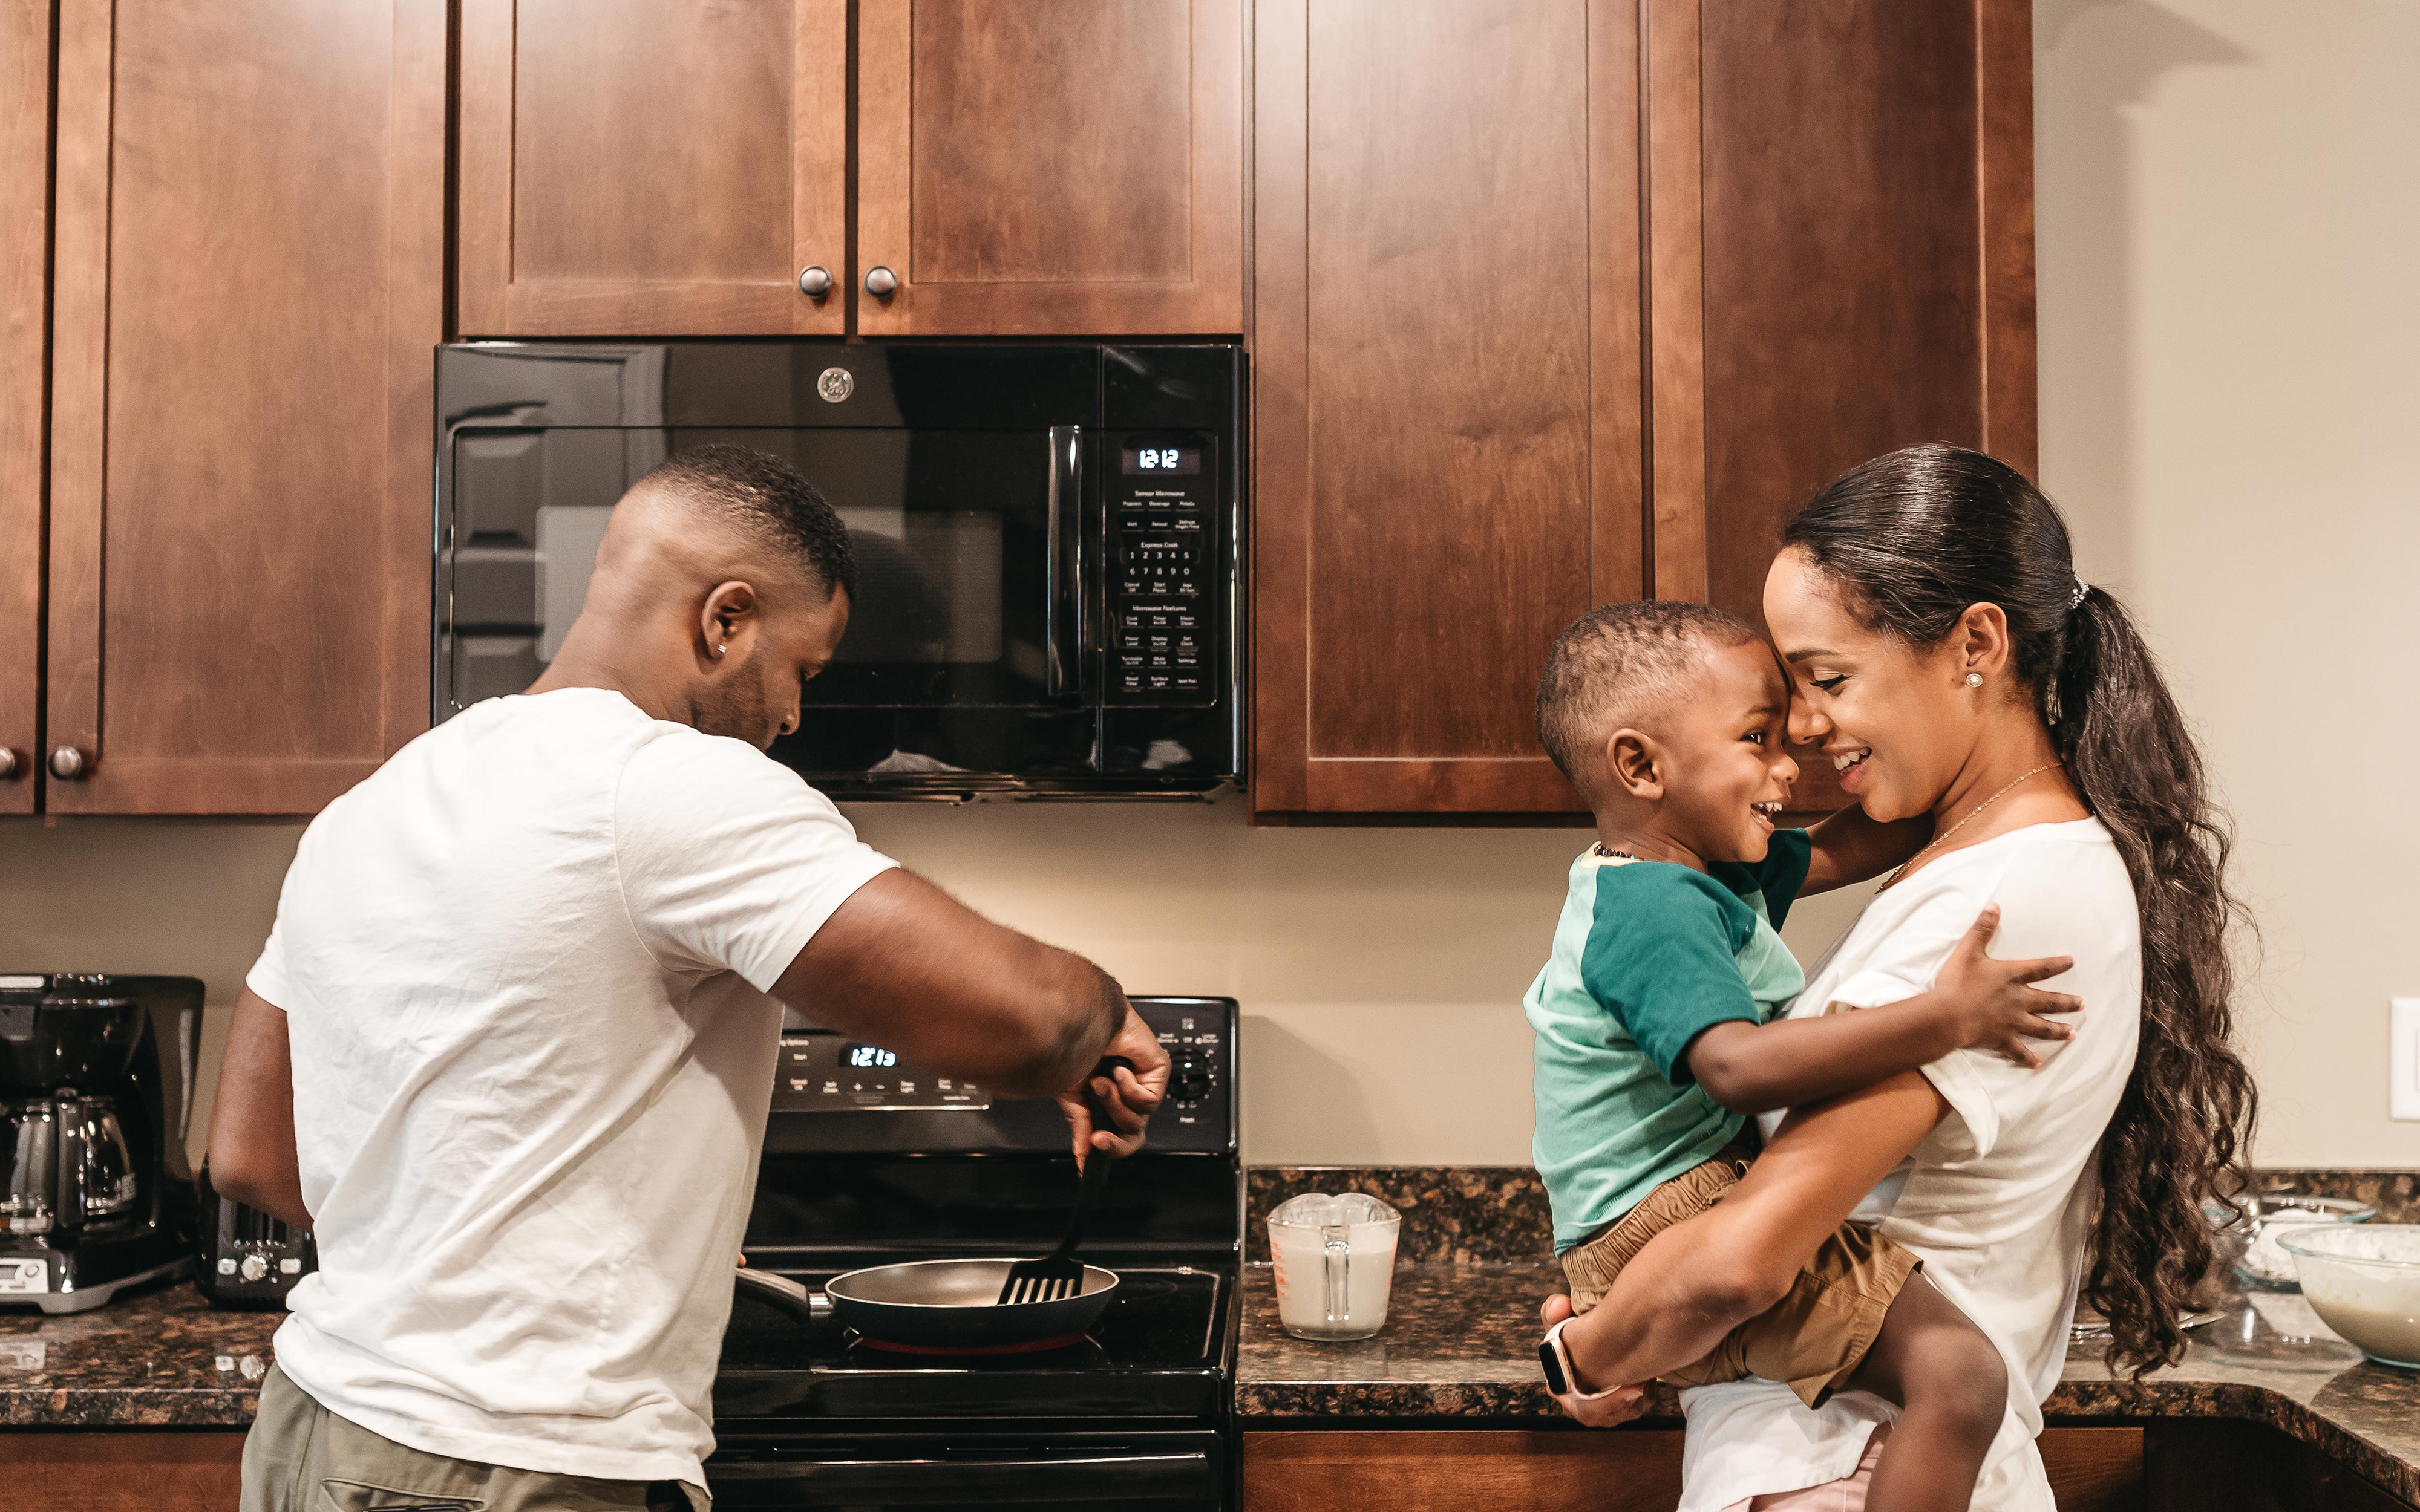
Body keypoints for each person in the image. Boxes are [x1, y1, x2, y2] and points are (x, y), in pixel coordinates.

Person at [208, 444, 1172, 1512]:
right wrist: (1107, 1019)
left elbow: (251, 1158)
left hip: (312, 1433)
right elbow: (1027, 1022)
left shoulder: (372, 806)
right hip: (510, 1466)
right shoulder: (671, 788)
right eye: (803, 670)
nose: (797, 718)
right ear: (725, 619)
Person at [1540, 444, 2255, 1512]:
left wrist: (1591, 1352)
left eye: (1827, 680)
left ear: (1977, 641)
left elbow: (1740, 1261)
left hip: (1842, 1468)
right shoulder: (1980, 861)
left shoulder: (2010, 900)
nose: (1807, 733)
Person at [1526, 599, 2085, 1511]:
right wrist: (1942, 1019)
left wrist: (1994, 765)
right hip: (1670, 1221)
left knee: (1956, 1377)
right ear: (1640, 765)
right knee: (1960, 1379)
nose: (1791, 765)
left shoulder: (1700, 875)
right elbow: (1738, 1067)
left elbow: (1863, 838)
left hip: (1650, 1225)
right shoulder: (1653, 910)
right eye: (1758, 738)